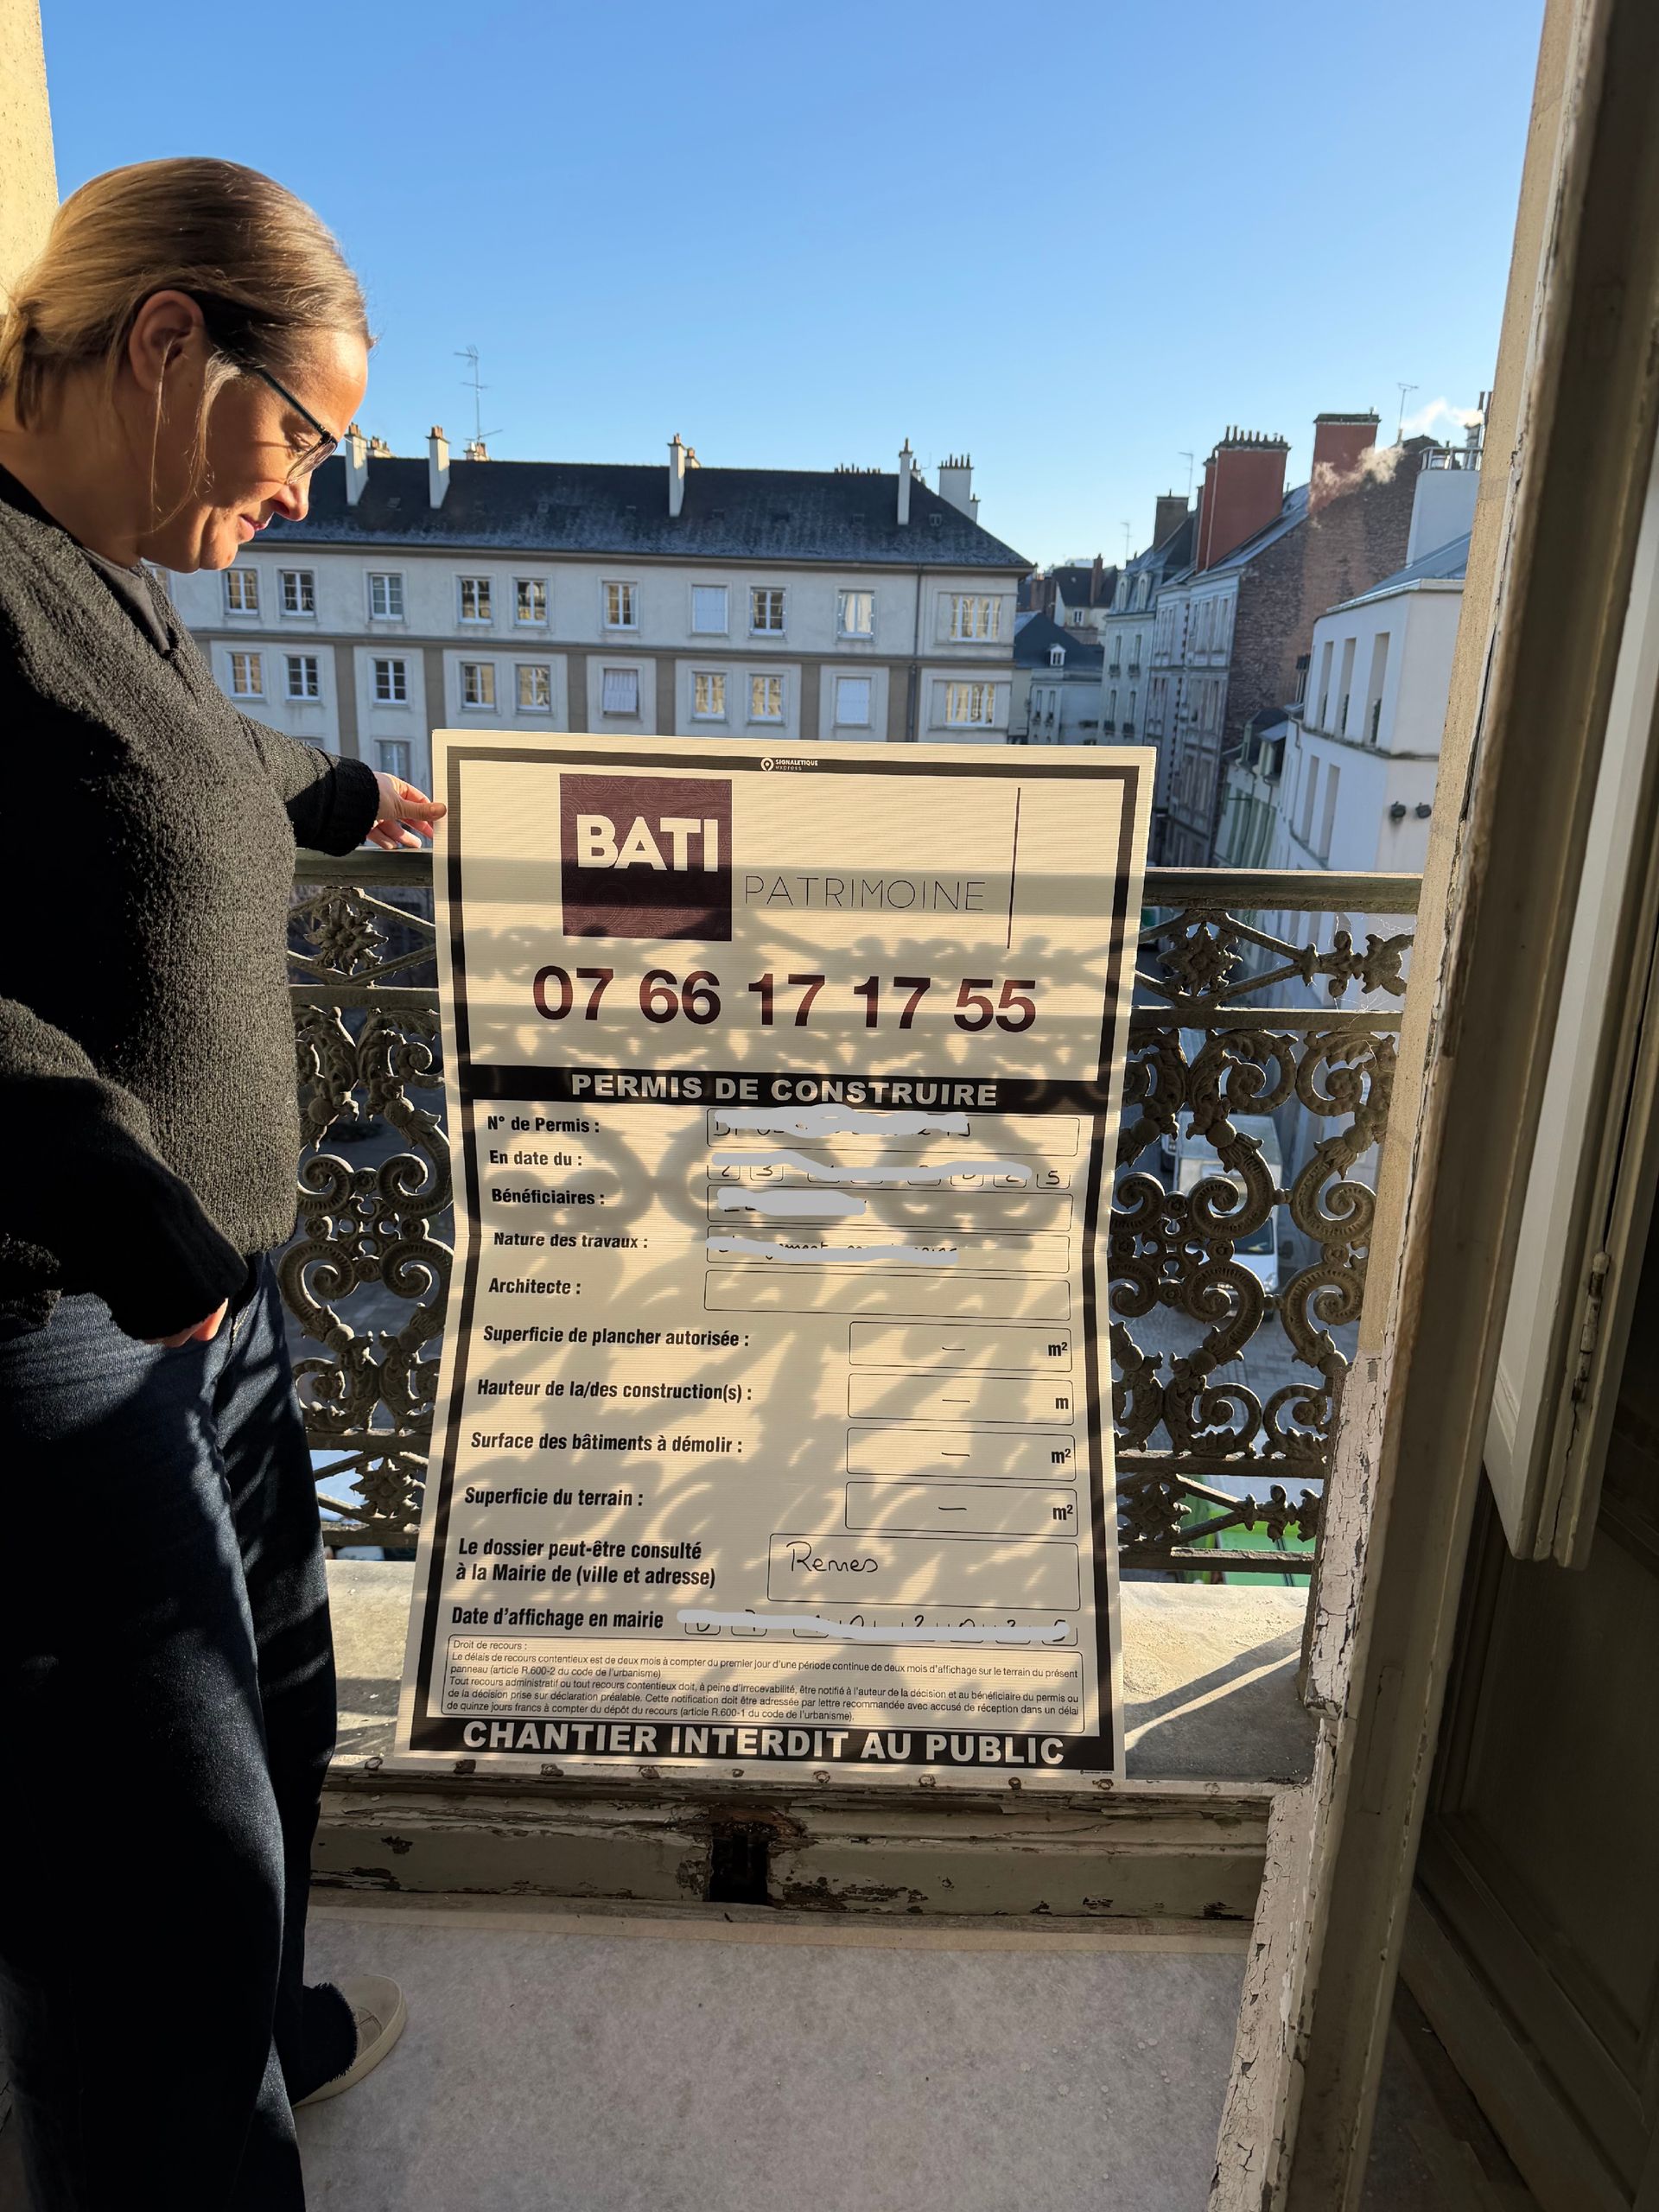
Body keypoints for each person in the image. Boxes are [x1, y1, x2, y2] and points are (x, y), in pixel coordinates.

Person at [0, 157, 443, 2209]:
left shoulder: (106, 564)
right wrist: (85, 1154)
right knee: (148, 1861)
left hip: (210, 1305)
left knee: (276, 1710)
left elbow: (181, 753)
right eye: (303, 438)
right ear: (172, 338)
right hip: (58, 1322)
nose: (305, 496)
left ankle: (244, 2021)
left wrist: (340, 791)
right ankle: (176, 2131)